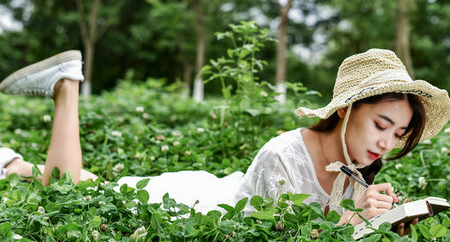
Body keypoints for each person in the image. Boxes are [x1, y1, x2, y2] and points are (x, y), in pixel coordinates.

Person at [1, 49, 449, 232]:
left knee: (103, 185)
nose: (387, 142)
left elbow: (332, 220)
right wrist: (354, 221)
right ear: (348, 109)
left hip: (215, 186)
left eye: (399, 133)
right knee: (69, 188)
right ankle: (67, 85)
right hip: (195, 206)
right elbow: (273, 235)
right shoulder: (282, 156)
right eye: (381, 124)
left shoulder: (356, 165)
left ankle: (13, 166)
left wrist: (375, 214)